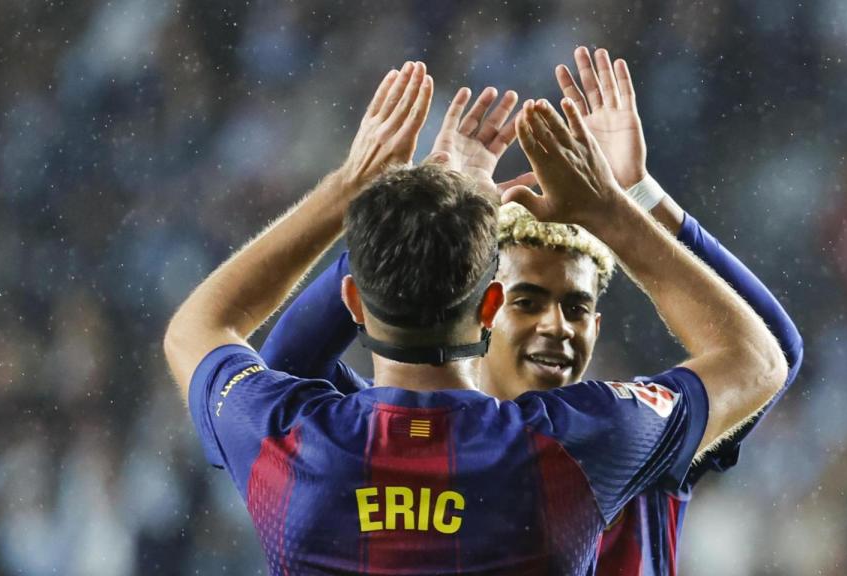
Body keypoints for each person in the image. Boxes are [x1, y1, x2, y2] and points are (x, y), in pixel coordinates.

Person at [164, 60, 787, 574]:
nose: (555, 325)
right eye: (528, 301)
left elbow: (254, 351)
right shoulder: (596, 438)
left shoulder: (316, 442)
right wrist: (619, 209)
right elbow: (763, 358)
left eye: (577, 306)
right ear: (489, 307)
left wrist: (386, 209)